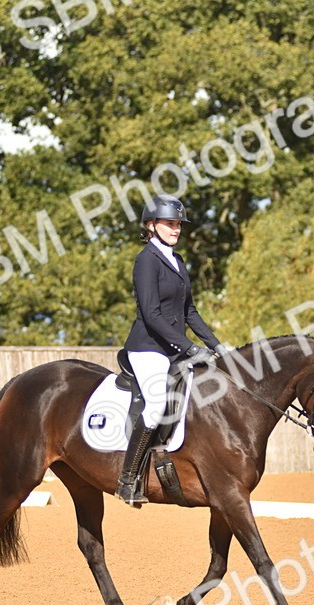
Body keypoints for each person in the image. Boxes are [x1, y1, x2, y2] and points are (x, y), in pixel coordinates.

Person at [116, 194, 222, 505]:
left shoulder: (178, 262)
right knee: (156, 404)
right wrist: (190, 347)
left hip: (174, 348)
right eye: (170, 223)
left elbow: (189, 312)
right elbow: (151, 314)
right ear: (151, 225)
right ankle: (128, 479)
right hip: (149, 347)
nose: (176, 229)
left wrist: (216, 346)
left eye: (178, 224)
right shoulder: (146, 260)